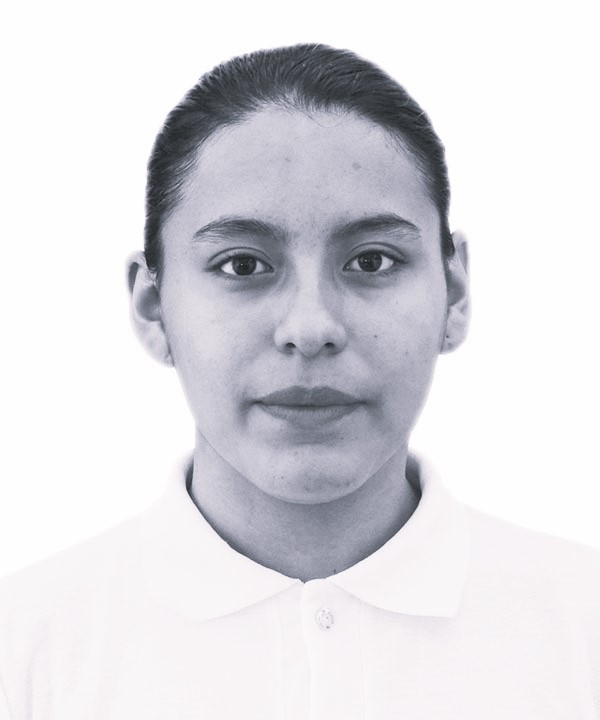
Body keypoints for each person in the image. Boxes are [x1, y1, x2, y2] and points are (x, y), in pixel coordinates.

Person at [0, 43, 598, 719]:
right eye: (242, 265)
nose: (310, 328)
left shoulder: (583, 634)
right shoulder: (23, 656)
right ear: (153, 306)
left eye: (371, 261)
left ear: (454, 293)